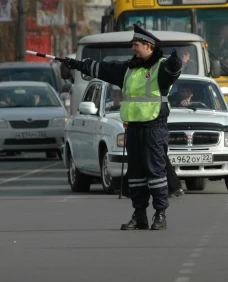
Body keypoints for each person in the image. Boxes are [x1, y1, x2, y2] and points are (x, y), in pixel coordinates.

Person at [62, 24, 182, 230]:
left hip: (154, 128)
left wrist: (175, 62)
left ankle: (160, 214)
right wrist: (76, 64)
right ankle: (140, 214)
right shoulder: (129, 68)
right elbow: (102, 69)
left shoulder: (160, 67)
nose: (133, 48)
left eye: (136, 45)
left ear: (148, 46)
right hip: (133, 128)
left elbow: (173, 72)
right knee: (135, 175)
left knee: (155, 173)